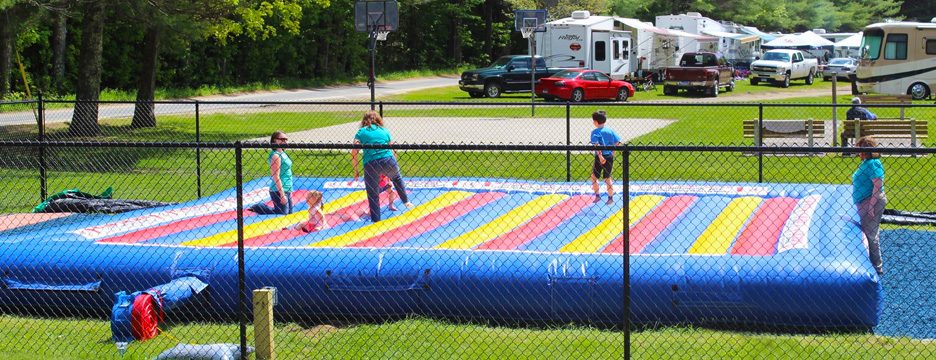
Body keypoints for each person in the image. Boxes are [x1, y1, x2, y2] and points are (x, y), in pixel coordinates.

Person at [351, 110, 413, 222]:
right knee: (397, 178)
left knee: (373, 193)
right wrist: (393, 164)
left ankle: (376, 219)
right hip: (388, 159)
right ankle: (405, 200)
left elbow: (354, 151)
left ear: (364, 121)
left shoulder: (361, 132)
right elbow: (392, 150)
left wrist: (356, 169)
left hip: (371, 163)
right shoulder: (385, 131)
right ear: (379, 120)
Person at [852, 136, 887, 277]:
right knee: (869, 232)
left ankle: (877, 267)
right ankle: (872, 263)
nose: (858, 153)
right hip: (865, 200)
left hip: (871, 201)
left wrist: (871, 206)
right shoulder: (867, 162)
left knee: (871, 234)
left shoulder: (873, 163)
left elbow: (878, 186)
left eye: (860, 150)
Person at [249, 131, 293, 214]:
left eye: (286, 139)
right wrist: (282, 194)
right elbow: (276, 175)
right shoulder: (275, 155)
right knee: (282, 214)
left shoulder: (283, 153)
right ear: (275, 140)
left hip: (288, 187)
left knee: (290, 215)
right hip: (278, 189)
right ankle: (259, 207)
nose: (285, 141)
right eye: (282, 139)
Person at [590, 110, 622, 205]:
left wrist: (600, 156)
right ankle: (610, 198)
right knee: (607, 178)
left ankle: (597, 196)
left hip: (600, 156)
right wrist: (613, 152)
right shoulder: (610, 130)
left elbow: (597, 145)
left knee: (594, 176)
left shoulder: (595, 132)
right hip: (609, 156)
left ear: (595, 122)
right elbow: (618, 141)